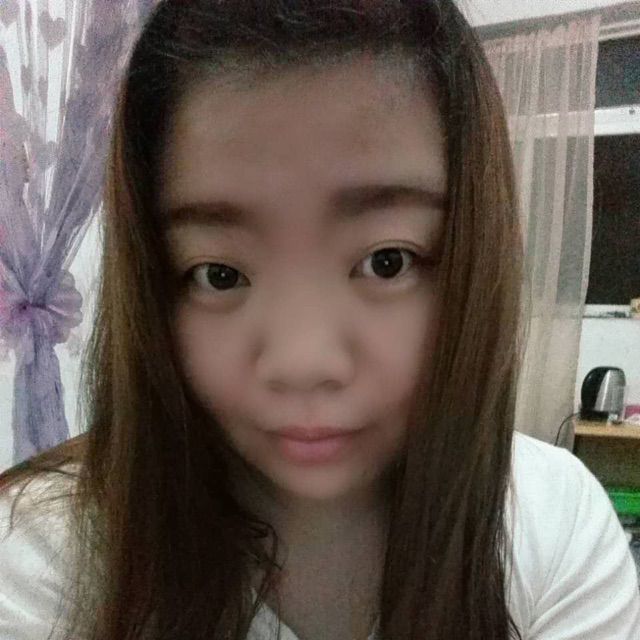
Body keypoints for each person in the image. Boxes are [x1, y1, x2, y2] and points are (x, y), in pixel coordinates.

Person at [1, 1, 639, 639]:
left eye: (387, 262)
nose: (303, 362)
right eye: (219, 274)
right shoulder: (42, 551)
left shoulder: (549, 519)